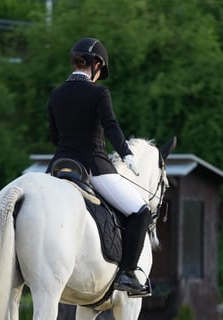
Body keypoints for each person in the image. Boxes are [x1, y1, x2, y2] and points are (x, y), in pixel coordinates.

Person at [47, 37, 151, 297]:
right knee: (141, 211)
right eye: (99, 71)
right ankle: (127, 273)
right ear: (95, 65)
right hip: (93, 166)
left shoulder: (56, 94)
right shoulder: (98, 93)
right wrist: (126, 153)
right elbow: (111, 126)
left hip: (58, 167)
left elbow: (54, 137)